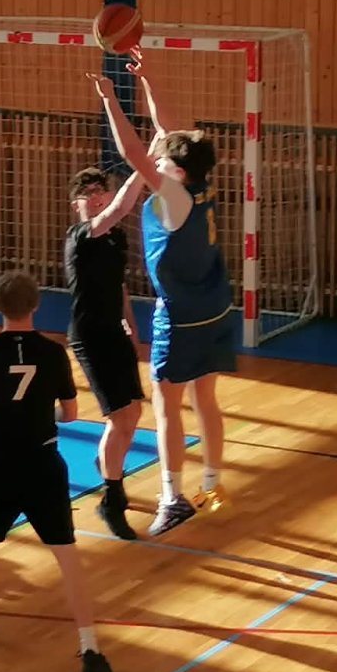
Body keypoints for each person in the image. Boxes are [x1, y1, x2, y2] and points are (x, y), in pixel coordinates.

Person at [0, 270, 113, 672]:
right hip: (43, 464)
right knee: (67, 556)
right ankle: (90, 645)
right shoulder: (53, 353)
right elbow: (70, 414)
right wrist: (41, 412)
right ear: (35, 304)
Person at [90, 61, 236, 537]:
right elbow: (170, 130)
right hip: (216, 306)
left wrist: (111, 99)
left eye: (166, 159)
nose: (161, 157)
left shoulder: (174, 197)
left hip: (182, 315)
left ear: (176, 169)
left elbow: (133, 151)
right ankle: (211, 484)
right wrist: (149, 77)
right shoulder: (202, 181)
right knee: (205, 398)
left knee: (166, 406)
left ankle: (173, 498)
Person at [64, 167, 147, 540]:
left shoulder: (116, 238)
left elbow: (119, 287)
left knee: (134, 412)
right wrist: (145, 162)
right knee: (119, 416)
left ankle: (107, 463)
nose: (96, 196)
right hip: (90, 337)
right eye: (88, 193)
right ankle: (112, 500)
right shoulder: (81, 236)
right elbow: (119, 208)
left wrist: (131, 327)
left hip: (115, 332)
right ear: (76, 205)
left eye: (101, 190)